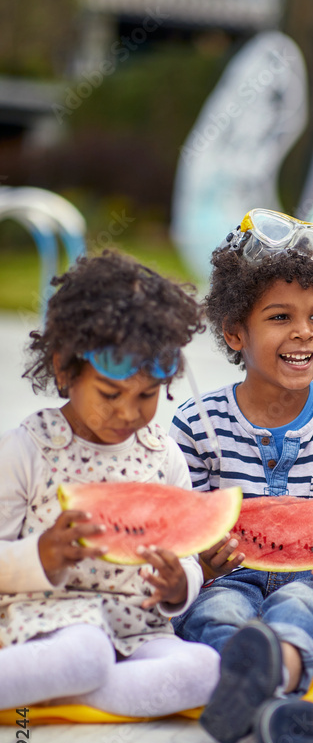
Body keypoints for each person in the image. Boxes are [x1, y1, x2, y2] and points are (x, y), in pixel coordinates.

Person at [169, 211, 313, 743]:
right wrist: (203, 563)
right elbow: (184, 527)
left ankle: (271, 676)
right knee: (216, 610)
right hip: (230, 574)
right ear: (236, 332)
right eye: (280, 317)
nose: (302, 332)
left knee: (303, 607)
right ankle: (277, 712)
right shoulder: (197, 423)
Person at [0, 252, 220, 717]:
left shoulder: (164, 456)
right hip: (46, 622)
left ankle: (62, 688)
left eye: (147, 395)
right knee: (84, 652)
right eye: (109, 393)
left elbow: (185, 555)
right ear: (64, 369)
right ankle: (72, 676)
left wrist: (182, 583)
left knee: (205, 669)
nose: (128, 413)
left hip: (138, 629)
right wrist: (40, 555)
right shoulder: (28, 449)